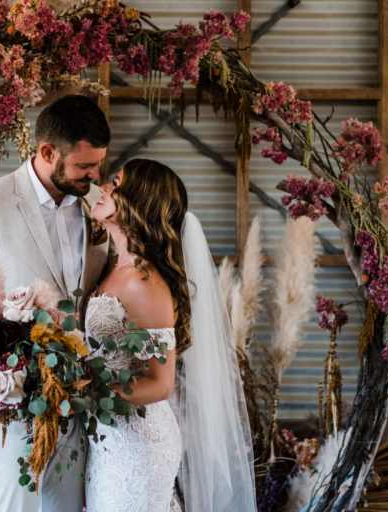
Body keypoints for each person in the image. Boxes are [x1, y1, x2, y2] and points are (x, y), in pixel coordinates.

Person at [0, 94, 112, 512]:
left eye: (98, 164)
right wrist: (2, 376)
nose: (96, 175)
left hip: (78, 405)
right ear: (47, 152)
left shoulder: (94, 207)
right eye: (85, 166)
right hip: (12, 412)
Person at [84, 158, 256, 512]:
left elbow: (160, 384)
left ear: (138, 201)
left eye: (115, 182)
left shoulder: (144, 282)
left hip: (137, 444)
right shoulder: (116, 267)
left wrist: (85, 395)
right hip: (110, 440)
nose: (103, 187)